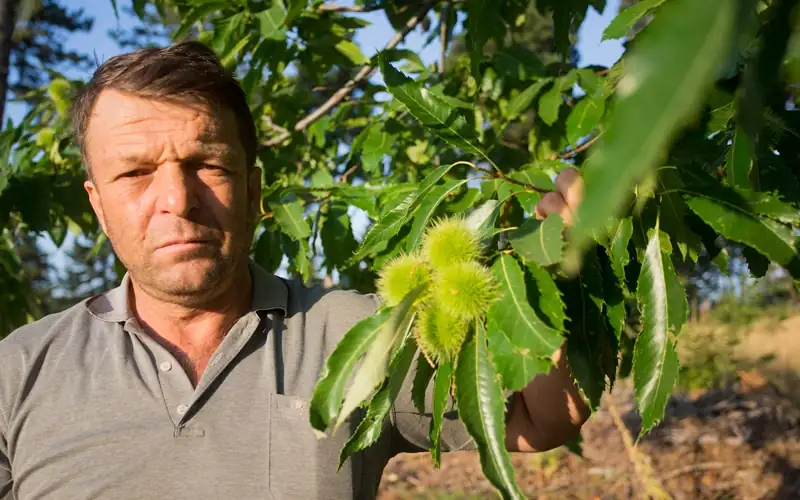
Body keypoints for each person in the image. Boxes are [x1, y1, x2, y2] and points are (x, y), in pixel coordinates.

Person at [0, 41, 589, 500]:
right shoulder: (19, 371)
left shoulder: (358, 335)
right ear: (98, 205)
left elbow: (539, 419)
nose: (176, 200)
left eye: (208, 165)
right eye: (134, 174)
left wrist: (559, 266)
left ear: (255, 189)